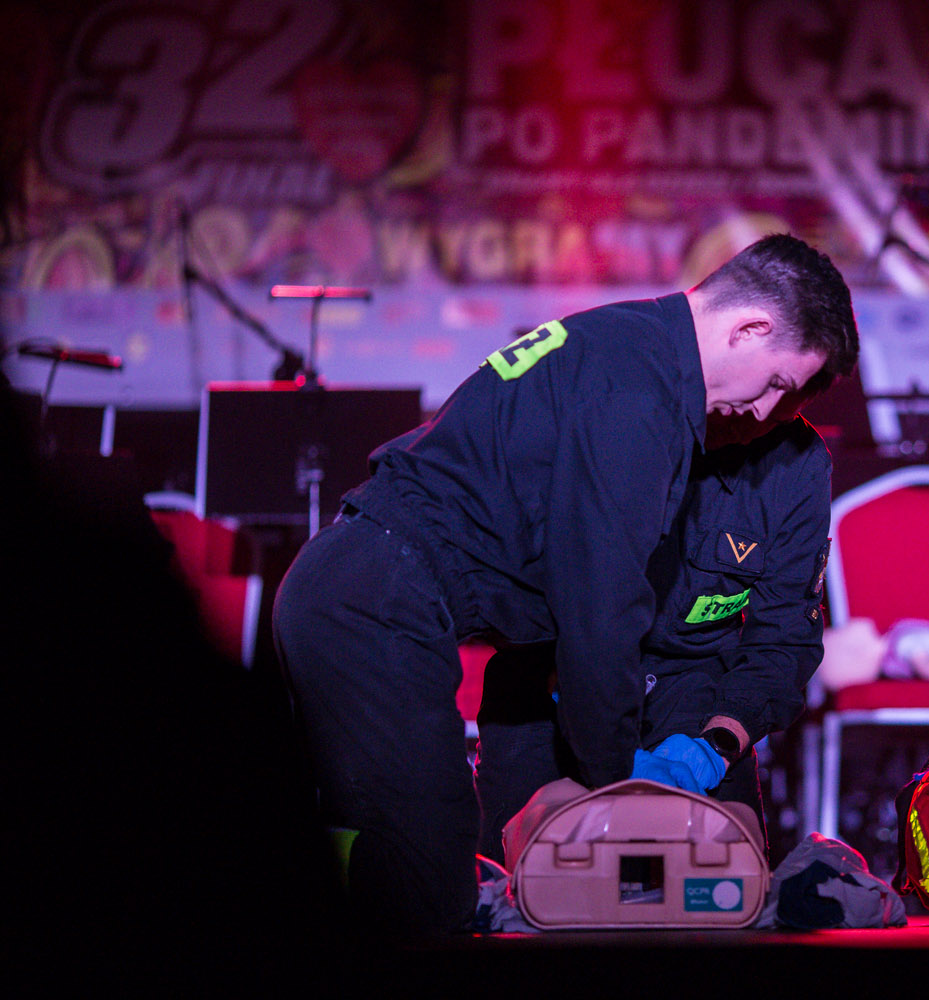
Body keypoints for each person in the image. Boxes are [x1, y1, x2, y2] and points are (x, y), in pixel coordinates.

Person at [272, 234, 858, 937]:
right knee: (428, 877)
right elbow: (602, 608)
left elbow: (766, 636)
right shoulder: (640, 392)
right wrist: (622, 784)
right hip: (376, 599)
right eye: (777, 384)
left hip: (364, 590)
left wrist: (704, 748)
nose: (766, 412)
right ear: (750, 329)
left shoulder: (628, 348)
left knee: (412, 858)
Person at [473, 405, 834, 859]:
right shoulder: (606, 418)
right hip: (551, 677)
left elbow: (783, 638)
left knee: (733, 875)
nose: (765, 407)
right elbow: (509, 598)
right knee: (518, 876)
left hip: (696, 688)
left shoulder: (798, 463)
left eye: (793, 394)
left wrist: (715, 747)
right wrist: (593, 724)